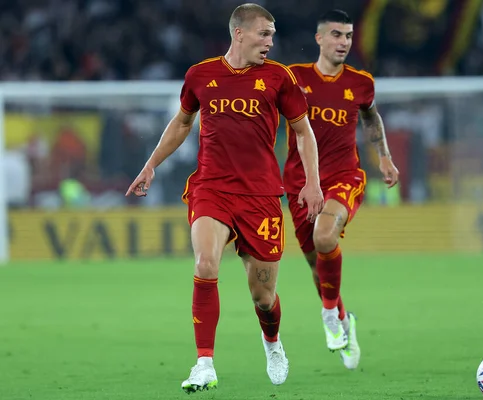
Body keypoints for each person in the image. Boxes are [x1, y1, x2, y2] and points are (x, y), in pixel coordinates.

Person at [126, 3, 324, 392]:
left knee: (263, 296)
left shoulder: (278, 78)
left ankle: (272, 343)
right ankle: (204, 363)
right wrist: (151, 165)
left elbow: (303, 132)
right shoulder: (200, 75)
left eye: (272, 35)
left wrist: (313, 182)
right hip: (211, 188)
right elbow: (182, 122)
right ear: (239, 33)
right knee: (205, 263)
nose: (270, 42)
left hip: (261, 196)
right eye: (264, 34)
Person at [284, 9, 399, 369]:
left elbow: (370, 115)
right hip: (299, 183)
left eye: (348, 36)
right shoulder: (293, 78)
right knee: (318, 269)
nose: (344, 42)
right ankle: (344, 320)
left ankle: (330, 316)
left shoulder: (361, 82)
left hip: (344, 177)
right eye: (336, 35)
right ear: (319, 39)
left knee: (324, 237)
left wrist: (384, 157)